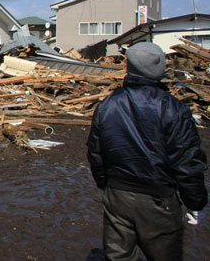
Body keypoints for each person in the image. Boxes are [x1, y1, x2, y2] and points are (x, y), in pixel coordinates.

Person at [87, 42, 207, 260]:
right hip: (159, 197)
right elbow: (187, 160)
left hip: (118, 194)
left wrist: (105, 185)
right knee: (163, 255)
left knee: (118, 256)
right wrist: (195, 201)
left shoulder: (108, 105)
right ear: (160, 68)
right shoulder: (173, 108)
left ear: (129, 67)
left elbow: (96, 153)